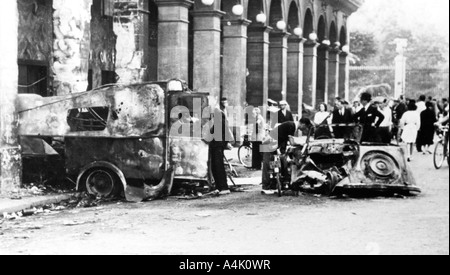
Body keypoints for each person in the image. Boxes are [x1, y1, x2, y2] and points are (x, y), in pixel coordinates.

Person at [208, 106, 234, 195]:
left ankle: (223, 187)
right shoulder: (221, 122)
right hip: (218, 146)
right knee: (216, 166)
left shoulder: (219, 123)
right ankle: (220, 186)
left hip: (217, 146)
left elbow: (212, 132)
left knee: (218, 167)